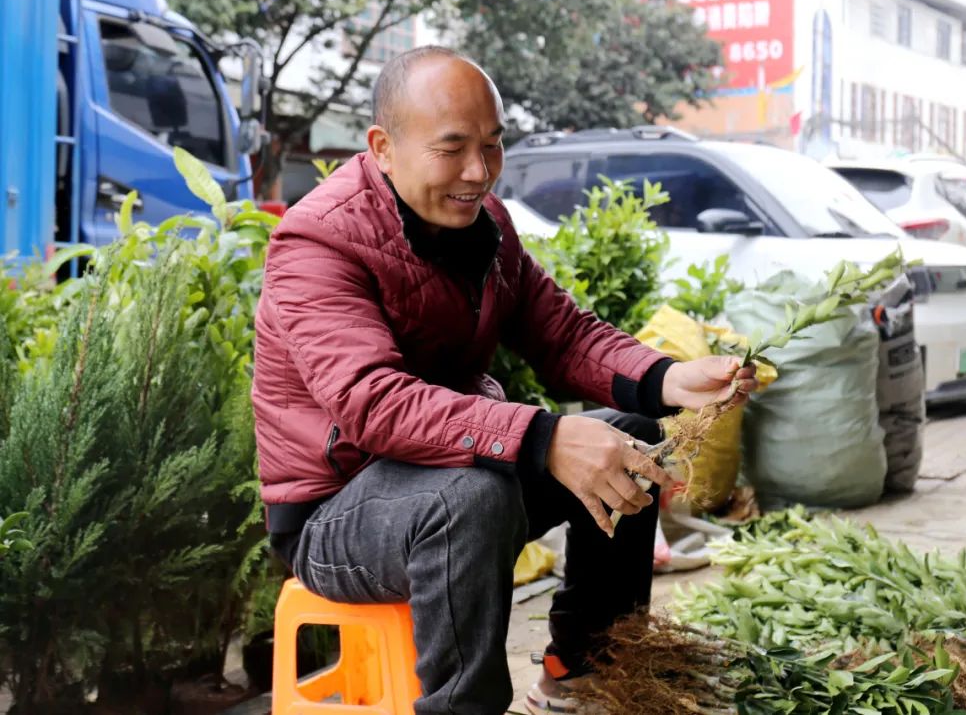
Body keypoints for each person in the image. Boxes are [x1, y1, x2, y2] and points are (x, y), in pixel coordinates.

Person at [251, 46, 757, 715]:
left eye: (492, 146)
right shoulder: (317, 245)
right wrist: (544, 438)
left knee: (627, 443)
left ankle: (585, 671)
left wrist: (667, 378)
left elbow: (561, 332)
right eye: (452, 148)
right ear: (383, 147)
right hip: (336, 516)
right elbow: (375, 403)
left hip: (454, 479)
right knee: (472, 497)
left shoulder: (485, 226)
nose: (478, 172)